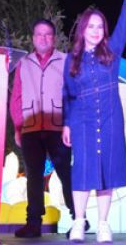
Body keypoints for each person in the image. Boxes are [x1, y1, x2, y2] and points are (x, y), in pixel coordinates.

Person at [63, 0, 126, 243]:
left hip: (111, 120)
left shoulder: (111, 53)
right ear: (83, 29)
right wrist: (66, 124)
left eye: (100, 27)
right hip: (82, 121)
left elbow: (125, 24)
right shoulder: (71, 59)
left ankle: (103, 224)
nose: (96, 31)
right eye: (91, 26)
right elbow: (67, 94)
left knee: (106, 173)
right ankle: (78, 222)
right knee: (83, 173)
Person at [10, 19, 75, 238]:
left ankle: (78, 218)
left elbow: (72, 94)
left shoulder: (65, 61)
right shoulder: (23, 63)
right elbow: (16, 96)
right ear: (33, 38)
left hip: (57, 126)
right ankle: (33, 223)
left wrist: (70, 124)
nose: (43, 38)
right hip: (30, 126)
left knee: (66, 174)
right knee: (34, 176)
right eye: (39, 34)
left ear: (54, 38)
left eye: (48, 34)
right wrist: (18, 126)